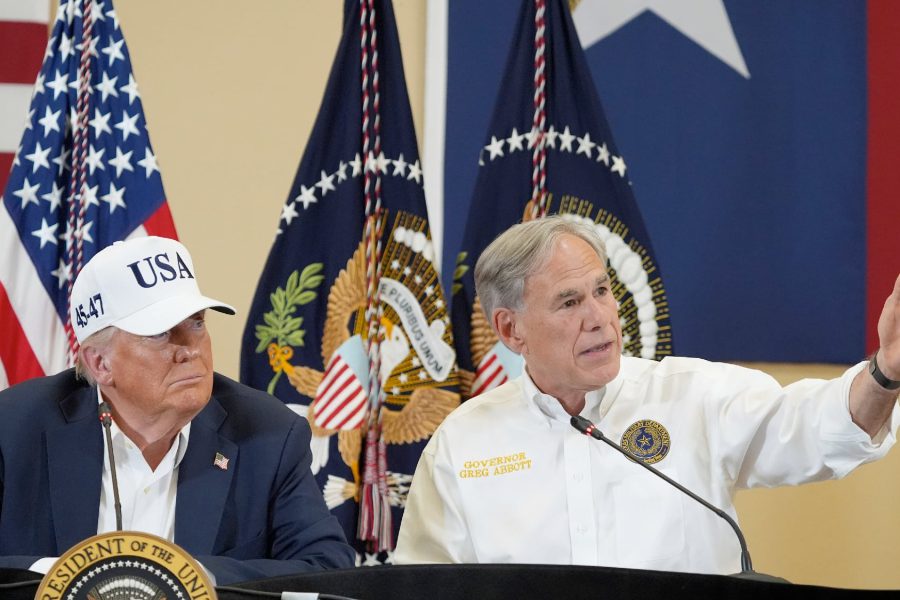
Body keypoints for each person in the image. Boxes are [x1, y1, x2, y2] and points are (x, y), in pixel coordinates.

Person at [394, 215, 900, 574]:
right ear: (511, 331)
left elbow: (817, 427)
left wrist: (885, 372)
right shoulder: (464, 444)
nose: (598, 317)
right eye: (569, 301)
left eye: (602, 290)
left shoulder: (691, 396)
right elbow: (423, 587)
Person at [0, 236, 356, 584]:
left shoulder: (269, 435)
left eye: (197, 323)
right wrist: (63, 577)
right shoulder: (12, 428)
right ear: (100, 363)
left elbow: (326, 570)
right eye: (160, 333)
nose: (190, 350)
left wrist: (193, 579)